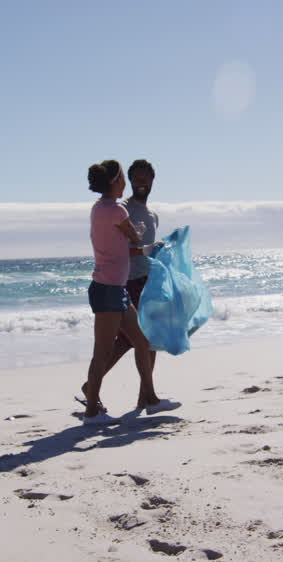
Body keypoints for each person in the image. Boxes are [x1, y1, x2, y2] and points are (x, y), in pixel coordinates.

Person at [80, 159, 178, 424]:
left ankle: (151, 400)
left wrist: (151, 247)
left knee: (143, 341)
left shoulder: (101, 208)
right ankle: (91, 410)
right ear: (118, 182)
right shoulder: (116, 210)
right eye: (126, 177)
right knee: (106, 350)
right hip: (111, 287)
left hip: (117, 287)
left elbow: (128, 248)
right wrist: (146, 241)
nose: (130, 183)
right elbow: (134, 239)